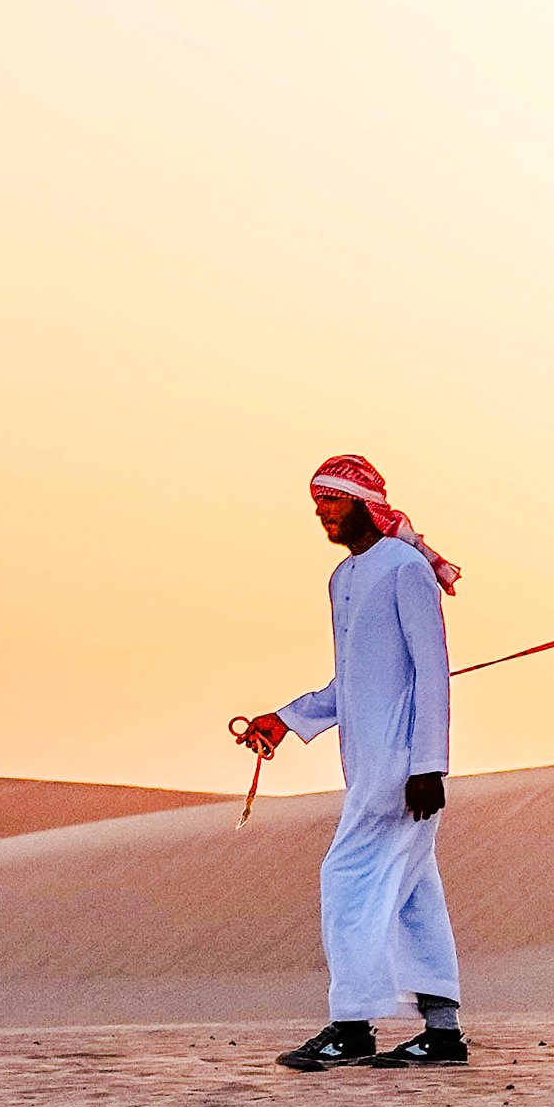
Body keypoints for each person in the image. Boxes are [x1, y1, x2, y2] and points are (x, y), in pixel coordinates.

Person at [234, 453, 465, 1071]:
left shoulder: (404, 569)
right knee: (414, 895)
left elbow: (432, 671)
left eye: (331, 501)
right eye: (317, 503)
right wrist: (285, 720)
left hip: (402, 767)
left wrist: (428, 764)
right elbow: (352, 681)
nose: (321, 513)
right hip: (367, 765)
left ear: (364, 502)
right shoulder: (345, 578)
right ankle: (442, 1033)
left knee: (347, 881)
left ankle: (352, 1028)